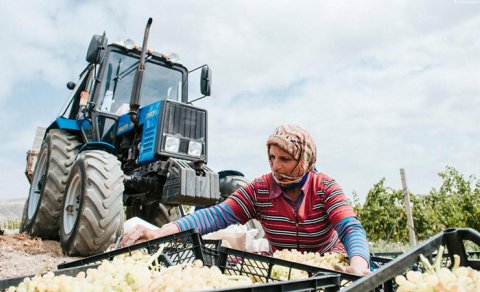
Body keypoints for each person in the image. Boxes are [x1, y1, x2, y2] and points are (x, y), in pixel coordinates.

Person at [121, 124, 370, 275]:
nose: (275, 166)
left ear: (304, 160)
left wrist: (358, 264)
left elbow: (350, 228)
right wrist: (162, 232)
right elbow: (216, 215)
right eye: (272, 157)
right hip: (282, 269)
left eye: (284, 159)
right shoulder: (261, 189)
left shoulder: (324, 187)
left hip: (328, 265)